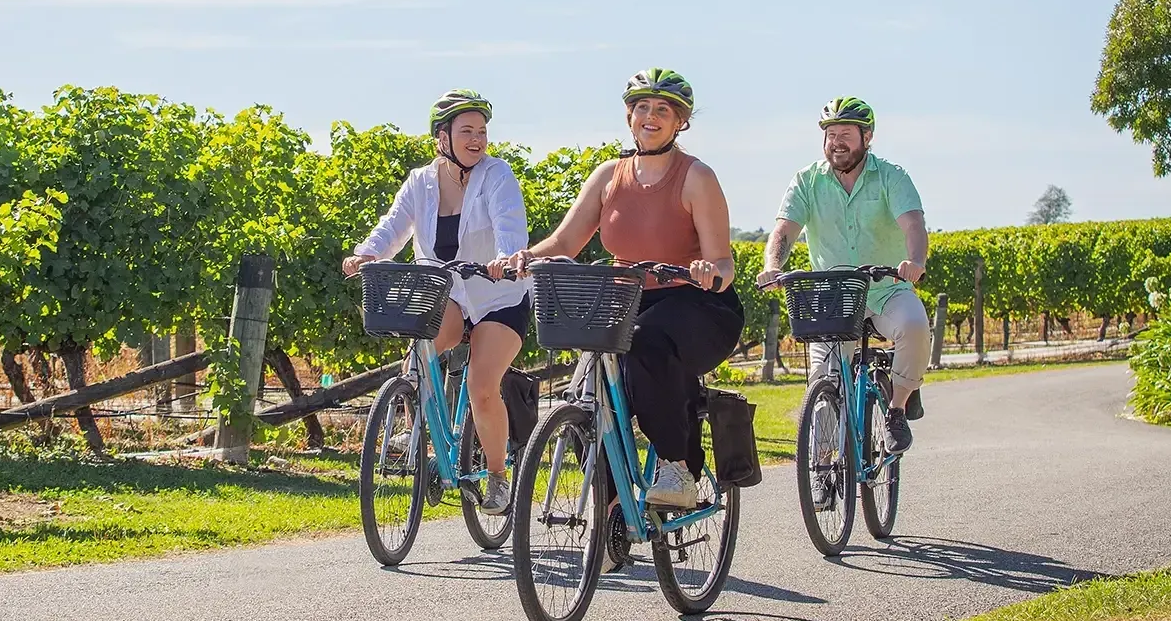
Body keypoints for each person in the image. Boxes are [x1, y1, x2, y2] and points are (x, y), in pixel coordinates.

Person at [500, 69, 743, 509]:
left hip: (698, 303)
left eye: (663, 110)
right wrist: (526, 257)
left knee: (648, 343)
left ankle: (676, 467)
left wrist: (709, 270)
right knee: (586, 400)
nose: (651, 117)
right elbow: (564, 242)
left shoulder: (696, 177)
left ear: (679, 122)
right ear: (630, 116)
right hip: (627, 300)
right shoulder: (609, 175)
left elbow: (723, 262)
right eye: (643, 108)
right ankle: (612, 514)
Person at [344, 90, 531, 515]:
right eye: (466, 130)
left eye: (482, 131)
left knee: (483, 386)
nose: (477, 139)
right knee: (421, 354)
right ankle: (417, 437)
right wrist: (367, 254)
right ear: (441, 138)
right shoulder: (421, 182)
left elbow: (509, 224)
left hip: (498, 293)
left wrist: (507, 257)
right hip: (446, 289)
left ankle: (499, 477)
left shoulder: (497, 175)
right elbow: (393, 225)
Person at [756, 96, 930, 454]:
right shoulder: (807, 181)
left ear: (867, 137)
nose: (836, 141)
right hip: (834, 299)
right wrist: (773, 265)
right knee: (824, 385)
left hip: (886, 290)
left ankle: (897, 409)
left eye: (845, 133)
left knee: (914, 325)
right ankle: (820, 469)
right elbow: (784, 231)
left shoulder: (892, 177)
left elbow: (913, 224)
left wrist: (914, 261)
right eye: (830, 133)